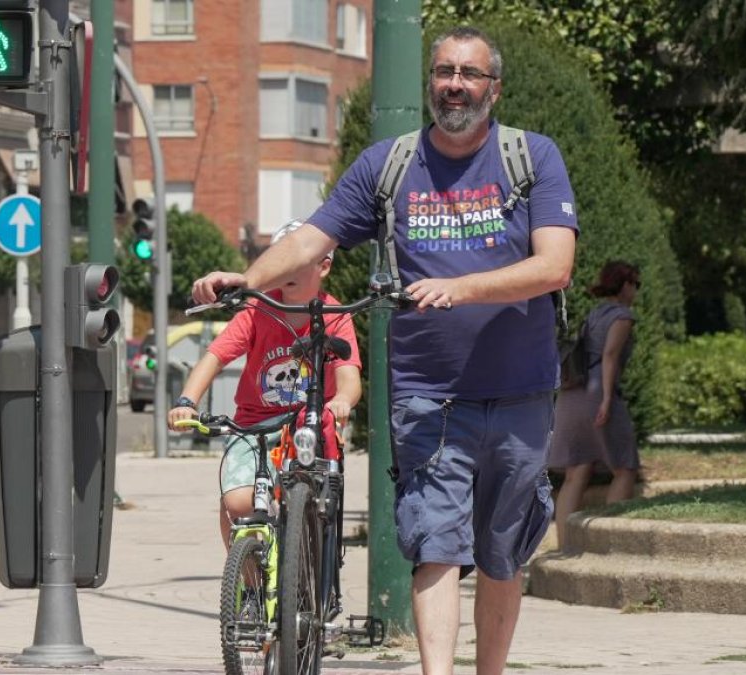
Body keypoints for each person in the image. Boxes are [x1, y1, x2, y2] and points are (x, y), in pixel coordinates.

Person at [192, 26, 578, 675]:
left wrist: (460, 288)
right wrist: (248, 278)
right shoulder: (390, 165)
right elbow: (314, 236)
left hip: (518, 388)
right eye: (444, 71)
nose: (455, 83)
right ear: (432, 82)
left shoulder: (531, 157)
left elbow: (555, 266)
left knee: (500, 553)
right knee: (436, 545)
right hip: (426, 392)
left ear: (494, 88)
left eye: (470, 73)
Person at [169, 220, 362, 549]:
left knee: (313, 504)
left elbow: (349, 375)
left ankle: (305, 567)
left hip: (308, 425)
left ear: (324, 265)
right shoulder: (257, 309)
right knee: (237, 503)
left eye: (295, 260)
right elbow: (215, 357)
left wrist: (342, 399)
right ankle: (248, 587)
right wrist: (187, 401)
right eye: (279, 258)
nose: (284, 268)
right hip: (253, 425)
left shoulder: (335, 314)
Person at [548, 261, 640, 551]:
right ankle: (612, 543)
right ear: (624, 285)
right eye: (635, 284)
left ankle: (565, 546)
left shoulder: (594, 314)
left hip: (571, 395)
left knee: (577, 471)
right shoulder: (622, 316)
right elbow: (610, 356)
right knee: (625, 468)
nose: (636, 290)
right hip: (597, 392)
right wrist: (607, 399)